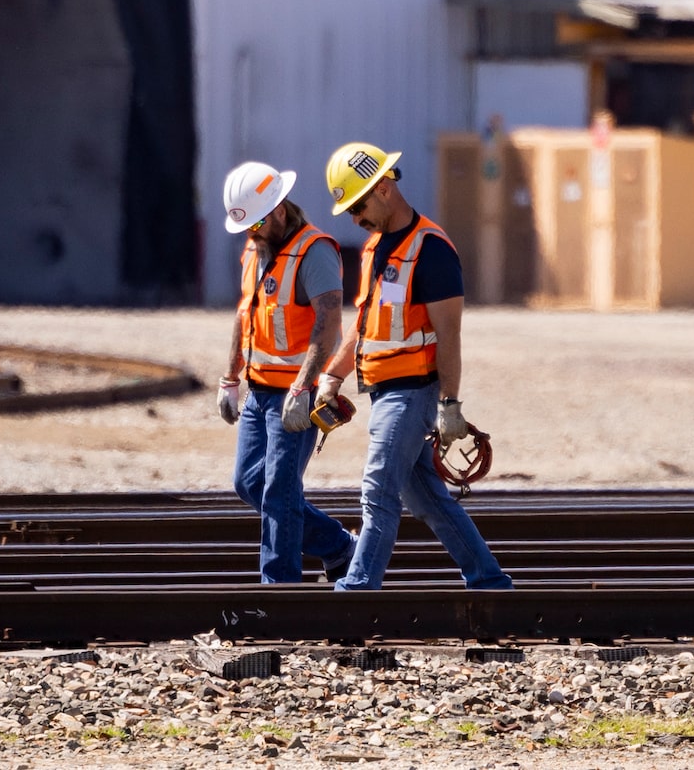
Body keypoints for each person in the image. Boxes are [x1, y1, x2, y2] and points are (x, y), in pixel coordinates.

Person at [315, 142, 512, 591]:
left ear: (384, 188)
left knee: (378, 489)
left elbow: (450, 334)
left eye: (358, 205)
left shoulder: (432, 249)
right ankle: (490, 582)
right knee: (428, 499)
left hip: (411, 392)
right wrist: (334, 374)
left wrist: (449, 404)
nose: (354, 218)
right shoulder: (372, 251)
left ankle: (358, 589)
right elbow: (363, 324)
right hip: (383, 391)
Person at [218, 160, 357, 584]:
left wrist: (304, 386)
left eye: (258, 222)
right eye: (246, 226)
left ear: (279, 209)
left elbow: (328, 321)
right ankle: (338, 546)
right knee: (248, 483)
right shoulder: (255, 249)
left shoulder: (313, 251)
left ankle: (279, 588)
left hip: (295, 395)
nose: (252, 232)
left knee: (280, 490)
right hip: (259, 392)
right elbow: (246, 316)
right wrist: (230, 378)